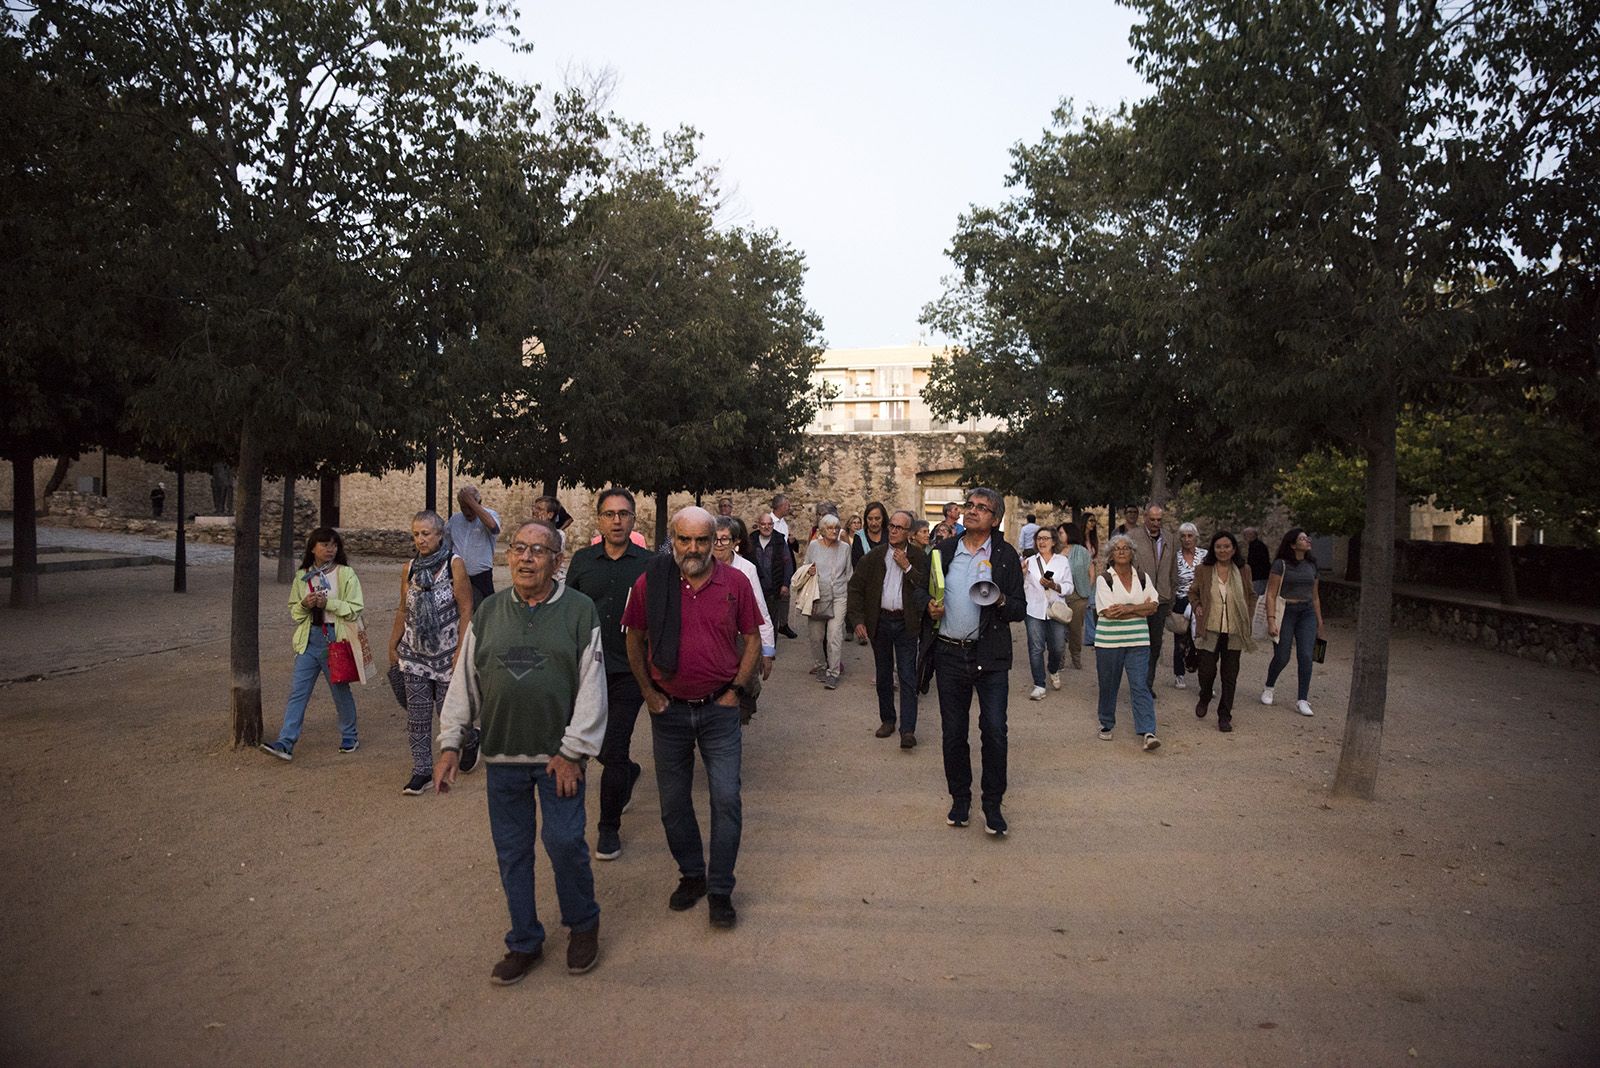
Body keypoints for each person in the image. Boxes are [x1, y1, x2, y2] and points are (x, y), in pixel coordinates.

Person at [435, 519, 607, 984]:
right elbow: (465, 681)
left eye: (538, 550)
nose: (526, 557)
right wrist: (451, 743)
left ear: (557, 561)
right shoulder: (489, 613)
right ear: (508, 556)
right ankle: (525, 941)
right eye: (519, 548)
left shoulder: (579, 611)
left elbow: (592, 688)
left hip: (559, 759)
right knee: (512, 852)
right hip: (503, 758)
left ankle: (582, 922)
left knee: (565, 842)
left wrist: (573, 751)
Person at [622, 506, 763, 930]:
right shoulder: (653, 581)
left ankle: (720, 889)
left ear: (714, 539)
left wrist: (736, 691)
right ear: (674, 539)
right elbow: (634, 636)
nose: (695, 548)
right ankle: (692, 875)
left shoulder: (735, 582)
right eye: (685, 540)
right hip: (669, 712)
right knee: (673, 803)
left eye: (703, 540)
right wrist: (648, 692)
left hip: (719, 711)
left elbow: (753, 639)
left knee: (726, 799)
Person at [927, 488, 1025, 836]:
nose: (972, 512)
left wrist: (996, 599)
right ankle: (960, 799)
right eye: (970, 506)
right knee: (953, 732)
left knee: (995, 731)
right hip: (950, 653)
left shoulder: (1005, 556)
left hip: (990, 657)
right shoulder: (944, 550)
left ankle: (992, 806)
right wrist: (930, 607)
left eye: (982, 508)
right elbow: (927, 592)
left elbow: (1018, 609)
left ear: (995, 519)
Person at [565, 489, 653, 861]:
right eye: (609, 514)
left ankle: (608, 827)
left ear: (634, 520)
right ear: (599, 520)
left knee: (613, 746)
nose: (617, 521)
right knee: (599, 748)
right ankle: (629, 772)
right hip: (587, 670)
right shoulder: (583, 561)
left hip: (628, 671)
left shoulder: (649, 564)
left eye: (624, 514)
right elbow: (566, 611)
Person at [387, 510, 476, 795]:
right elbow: (404, 607)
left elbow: (465, 609)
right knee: (418, 714)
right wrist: (393, 643)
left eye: (426, 533)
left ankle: (471, 739)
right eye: (416, 534)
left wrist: (461, 648)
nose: (421, 539)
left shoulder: (454, 565)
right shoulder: (410, 568)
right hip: (414, 654)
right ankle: (421, 770)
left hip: (447, 652)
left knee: (447, 713)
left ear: (440, 535)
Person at [260, 528, 363, 760]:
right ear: (313, 548)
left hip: (335, 638)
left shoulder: (346, 574)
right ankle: (286, 742)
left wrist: (329, 603)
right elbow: (295, 613)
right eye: (325, 545)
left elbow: (355, 608)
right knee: (298, 692)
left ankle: (350, 735)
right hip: (309, 640)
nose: (330, 549)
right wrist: (305, 604)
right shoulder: (302, 576)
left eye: (334, 545)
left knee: (339, 690)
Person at [845, 509, 929, 748]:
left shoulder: (919, 557)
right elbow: (856, 588)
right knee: (883, 675)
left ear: (910, 533)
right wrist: (858, 620)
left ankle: (908, 730)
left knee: (907, 676)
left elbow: (926, 586)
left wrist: (907, 568)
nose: (892, 531)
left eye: (898, 527)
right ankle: (888, 720)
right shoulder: (875, 556)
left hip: (906, 624)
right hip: (880, 622)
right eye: (890, 526)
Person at [1093, 533, 1161, 751]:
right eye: (1117, 549)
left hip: (1139, 641)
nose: (1121, 551)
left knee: (1140, 685)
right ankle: (1106, 722)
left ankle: (1148, 731)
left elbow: (1155, 606)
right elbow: (1108, 611)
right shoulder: (1105, 578)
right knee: (1109, 685)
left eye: (1126, 548)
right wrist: (1141, 609)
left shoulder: (1142, 577)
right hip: (1109, 643)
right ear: (1111, 555)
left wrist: (1128, 608)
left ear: (1132, 553)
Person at [1189, 531, 1257, 732]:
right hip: (1210, 627)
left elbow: (1251, 595)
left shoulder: (1244, 570)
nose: (1223, 550)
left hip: (1235, 629)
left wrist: (1248, 615)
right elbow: (1193, 592)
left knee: (1230, 674)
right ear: (1213, 549)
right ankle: (1205, 695)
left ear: (1234, 549)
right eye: (1219, 547)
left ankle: (1224, 716)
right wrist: (1197, 605)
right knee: (1207, 670)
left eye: (1227, 546)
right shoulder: (1204, 569)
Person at [714, 516, 775, 723]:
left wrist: (767, 651)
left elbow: (761, 610)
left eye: (724, 539)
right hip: (712, 641)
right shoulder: (701, 567)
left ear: (735, 542)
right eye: (714, 539)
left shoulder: (746, 569)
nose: (718, 544)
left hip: (739, 641)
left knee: (741, 690)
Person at [1262, 527, 1326, 716]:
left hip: (1307, 613)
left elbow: (1315, 597)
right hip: (1286, 611)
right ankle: (1269, 686)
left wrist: (1320, 622)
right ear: (1292, 544)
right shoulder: (1281, 565)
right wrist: (1271, 620)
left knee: (1307, 655)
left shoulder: (1312, 565)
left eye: (1308, 537)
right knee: (1282, 656)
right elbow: (1271, 594)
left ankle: (1302, 699)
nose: (1307, 540)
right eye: (1302, 538)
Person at [1129, 502, 1179, 694]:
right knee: (1138, 644)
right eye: (1153, 519)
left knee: (1155, 644)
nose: (1156, 523)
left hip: (1162, 599)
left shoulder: (1170, 539)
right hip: (1139, 599)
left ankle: (1147, 684)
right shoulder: (1133, 537)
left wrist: (1171, 595)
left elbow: (1173, 568)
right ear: (1145, 518)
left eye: (1159, 520)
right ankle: (1138, 682)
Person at [798, 514, 851, 689]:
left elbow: (848, 573)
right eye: (829, 528)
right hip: (818, 596)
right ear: (822, 530)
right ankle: (821, 666)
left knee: (834, 634)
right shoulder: (813, 546)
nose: (834, 531)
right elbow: (805, 565)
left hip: (839, 595)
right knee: (816, 636)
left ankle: (833, 673)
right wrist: (809, 571)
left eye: (836, 527)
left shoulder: (844, 548)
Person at [1021, 526, 1073, 700]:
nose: (1042, 542)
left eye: (1046, 538)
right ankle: (1039, 684)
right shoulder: (1029, 561)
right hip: (1033, 609)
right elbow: (1020, 586)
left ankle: (1053, 669)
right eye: (1039, 538)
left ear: (1053, 541)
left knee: (1057, 646)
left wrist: (1055, 586)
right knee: (1036, 648)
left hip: (1055, 609)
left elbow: (1069, 587)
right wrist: (1021, 574)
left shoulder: (1062, 561)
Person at [448, 484, 500, 607]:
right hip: (458, 575)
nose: (467, 511)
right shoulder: (455, 520)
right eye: (463, 507)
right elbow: (446, 545)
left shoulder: (490, 515)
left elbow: (493, 527)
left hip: (481, 577)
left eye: (470, 507)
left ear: (478, 503)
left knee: (485, 611)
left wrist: (472, 502)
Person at [1170, 522, 1207, 690]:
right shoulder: (1175, 557)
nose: (1187, 539)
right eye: (1183, 536)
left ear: (1196, 537)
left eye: (1190, 536)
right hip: (1182, 599)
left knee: (1201, 639)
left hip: (1201, 600)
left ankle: (1204, 676)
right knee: (1181, 640)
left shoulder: (1205, 556)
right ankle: (1179, 673)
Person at [751, 512, 797, 639]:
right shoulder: (752, 540)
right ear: (758, 525)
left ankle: (770, 649)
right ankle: (757, 649)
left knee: (772, 619)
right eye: (763, 524)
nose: (767, 527)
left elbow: (787, 563)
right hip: (755, 587)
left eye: (770, 524)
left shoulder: (779, 540)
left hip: (774, 587)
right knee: (755, 620)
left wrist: (785, 584)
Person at [1060, 522, 1093, 669]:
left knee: (1075, 629)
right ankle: (1059, 658)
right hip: (1059, 596)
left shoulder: (1082, 551)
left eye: (1061, 533)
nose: (1059, 535)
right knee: (1058, 630)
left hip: (1078, 596)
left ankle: (1076, 656)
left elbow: (1091, 572)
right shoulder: (1055, 551)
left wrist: (1087, 590)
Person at [851, 500, 888, 566]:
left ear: (883, 518)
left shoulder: (890, 534)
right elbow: (857, 564)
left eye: (877, 518)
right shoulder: (859, 536)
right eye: (870, 519)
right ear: (865, 519)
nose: (873, 523)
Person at [1243, 527, 1272, 597]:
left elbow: (1255, 562)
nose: (1244, 538)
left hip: (1259, 577)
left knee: (1257, 596)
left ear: (1251, 535)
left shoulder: (1257, 546)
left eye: (1245, 535)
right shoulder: (1257, 545)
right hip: (1260, 576)